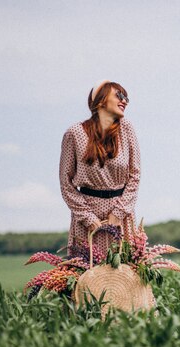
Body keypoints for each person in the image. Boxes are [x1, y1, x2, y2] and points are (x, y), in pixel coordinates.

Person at [59, 80, 140, 254]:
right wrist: (88, 217)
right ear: (101, 100)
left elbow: (135, 175)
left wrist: (119, 212)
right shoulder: (74, 133)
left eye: (126, 97)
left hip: (121, 216)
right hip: (86, 217)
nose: (124, 101)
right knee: (87, 275)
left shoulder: (126, 129)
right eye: (119, 95)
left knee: (124, 276)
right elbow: (66, 183)